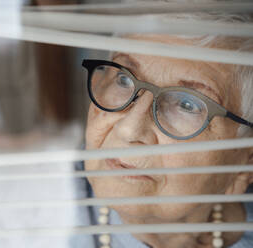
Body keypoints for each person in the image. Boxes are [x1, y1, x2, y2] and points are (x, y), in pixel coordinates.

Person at [81, 12, 253, 248]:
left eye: (187, 105)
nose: (129, 130)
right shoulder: (35, 206)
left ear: (247, 160)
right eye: (123, 79)